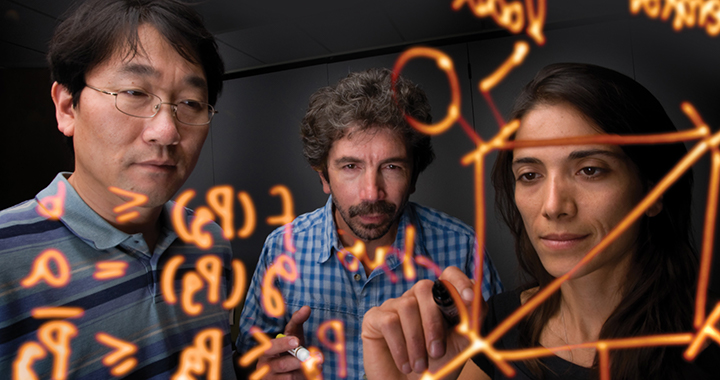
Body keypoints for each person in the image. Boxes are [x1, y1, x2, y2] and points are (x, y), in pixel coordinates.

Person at [361, 63, 719, 379]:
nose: (553, 206)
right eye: (530, 175)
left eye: (590, 170)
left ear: (654, 191)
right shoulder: (499, 326)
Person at [0, 0, 236, 378]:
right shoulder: (6, 260)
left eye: (191, 103)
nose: (167, 131)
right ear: (66, 108)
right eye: (134, 93)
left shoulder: (209, 240)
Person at [235, 68, 503, 379]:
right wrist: (270, 368)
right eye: (351, 166)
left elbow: (506, 360)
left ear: (414, 176)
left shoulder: (463, 247)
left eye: (391, 166)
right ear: (323, 176)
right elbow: (247, 359)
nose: (371, 192)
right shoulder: (282, 248)